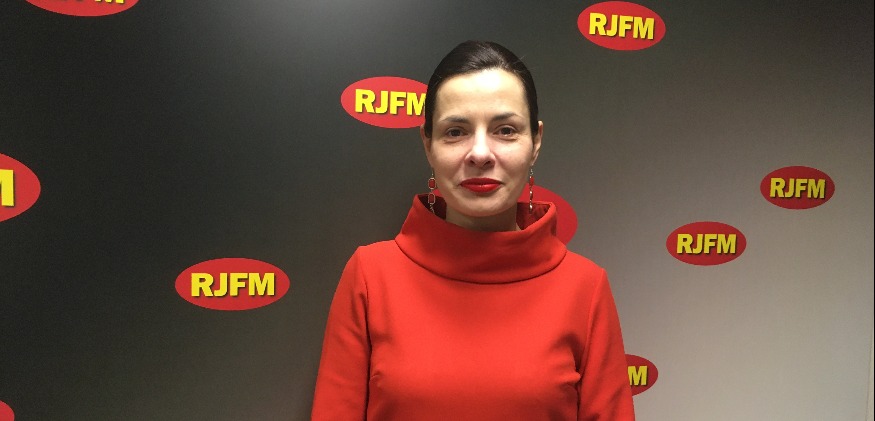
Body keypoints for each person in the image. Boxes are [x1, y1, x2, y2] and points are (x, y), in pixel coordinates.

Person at [311, 40, 635, 421]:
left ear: (536, 142)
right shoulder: (369, 277)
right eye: (455, 132)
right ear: (427, 144)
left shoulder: (586, 288)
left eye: (505, 130)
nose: (480, 153)